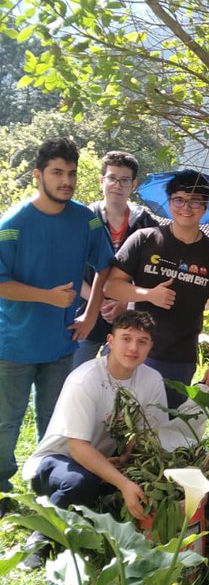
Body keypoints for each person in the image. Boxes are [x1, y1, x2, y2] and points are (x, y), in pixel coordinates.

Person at [22, 309, 205, 565]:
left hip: (109, 461)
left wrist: (126, 458)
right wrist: (123, 483)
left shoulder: (151, 379)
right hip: (57, 463)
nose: (133, 348)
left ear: (151, 346)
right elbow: (77, 447)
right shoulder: (85, 379)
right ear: (110, 341)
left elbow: (145, 433)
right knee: (79, 482)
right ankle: (40, 538)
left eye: (142, 341)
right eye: (126, 338)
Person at [0, 137, 113, 512]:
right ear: (38, 175)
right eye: (57, 173)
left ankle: (48, 486)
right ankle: (2, 491)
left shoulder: (87, 219)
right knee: (6, 422)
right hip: (12, 344)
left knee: (57, 422)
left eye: (71, 173)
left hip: (62, 344)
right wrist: (49, 297)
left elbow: (105, 266)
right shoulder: (13, 224)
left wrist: (92, 313)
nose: (66, 180)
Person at [104, 170, 209, 408]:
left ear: (205, 206)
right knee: (116, 422)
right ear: (169, 202)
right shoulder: (144, 239)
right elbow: (112, 286)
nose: (186, 207)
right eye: (178, 199)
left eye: (195, 201)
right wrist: (148, 294)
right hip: (131, 349)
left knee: (162, 428)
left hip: (179, 356)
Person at [72, 150, 158, 368]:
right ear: (102, 180)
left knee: (117, 382)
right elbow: (69, 268)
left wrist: (125, 301)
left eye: (124, 180)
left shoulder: (145, 223)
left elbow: (151, 272)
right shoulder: (83, 219)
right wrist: (98, 303)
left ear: (133, 184)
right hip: (84, 312)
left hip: (128, 317)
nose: (117, 185)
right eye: (112, 178)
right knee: (74, 376)